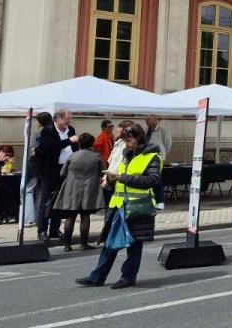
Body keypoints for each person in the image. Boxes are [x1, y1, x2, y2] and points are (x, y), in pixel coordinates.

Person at [76, 123, 160, 289]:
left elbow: (152, 180)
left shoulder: (152, 156)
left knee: (134, 245)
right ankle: (97, 276)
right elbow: (122, 177)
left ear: (138, 138)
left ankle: (128, 277)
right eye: (125, 140)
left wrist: (123, 178)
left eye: (129, 140)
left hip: (138, 206)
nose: (126, 143)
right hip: (119, 204)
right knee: (110, 242)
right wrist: (113, 178)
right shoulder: (125, 153)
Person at [54, 134, 105, 252]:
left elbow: (62, 173)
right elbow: (102, 172)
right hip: (89, 189)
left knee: (70, 217)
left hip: (72, 189)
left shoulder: (73, 156)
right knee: (85, 216)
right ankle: (83, 244)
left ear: (79, 143)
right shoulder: (96, 156)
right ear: (92, 143)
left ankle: (67, 245)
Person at [30, 111, 73, 242]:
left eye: (70, 119)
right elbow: (49, 148)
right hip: (49, 170)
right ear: (58, 118)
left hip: (65, 169)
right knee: (45, 199)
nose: (68, 122)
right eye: (66, 119)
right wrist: (68, 141)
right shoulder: (48, 131)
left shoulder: (70, 130)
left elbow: (75, 146)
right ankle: (42, 230)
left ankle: (55, 228)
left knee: (59, 199)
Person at [144, 115, 170, 210]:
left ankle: (160, 201)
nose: (146, 121)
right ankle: (152, 199)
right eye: (145, 120)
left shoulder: (162, 130)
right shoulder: (146, 130)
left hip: (157, 157)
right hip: (147, 158)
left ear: (155, 120)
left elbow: (168, 143)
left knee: (157, 179)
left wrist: (163, 154)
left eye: (148, 119)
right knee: (150, 179)